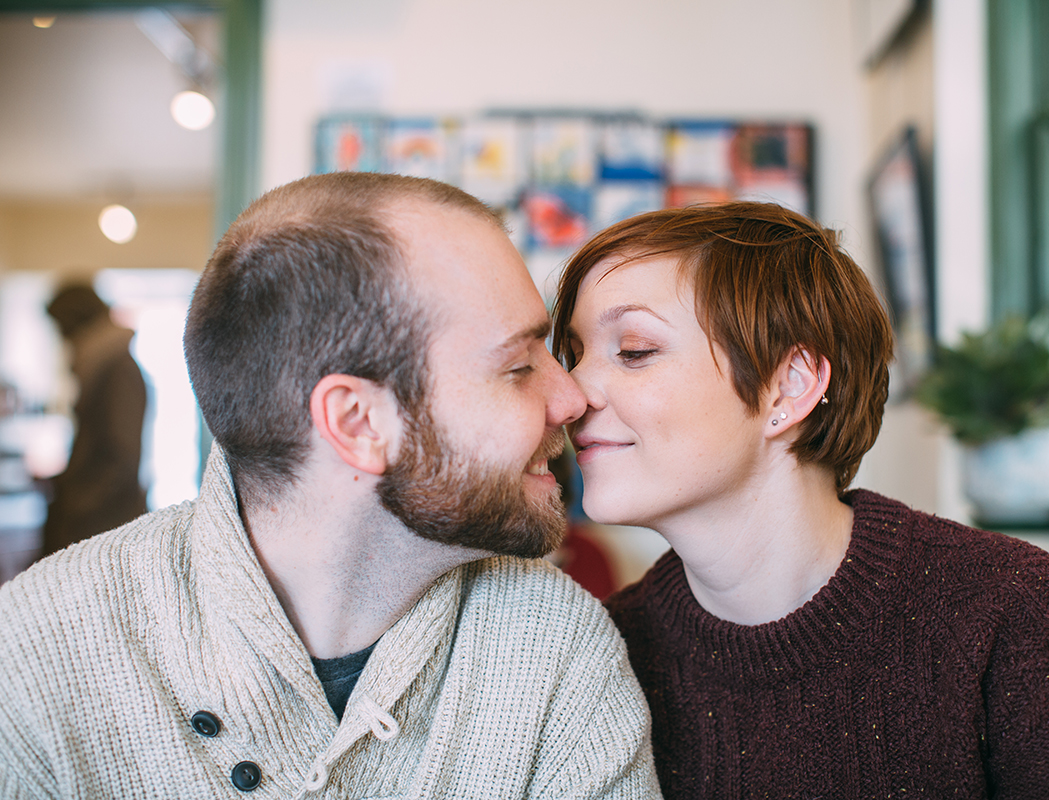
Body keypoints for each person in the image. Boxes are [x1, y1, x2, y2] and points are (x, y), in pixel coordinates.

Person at [0, 173, 659, 798]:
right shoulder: (34, 657)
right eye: (520, 366)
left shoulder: (561, 650)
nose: (573, 398)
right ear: (358, 421)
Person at [552, 202, 1049, 799]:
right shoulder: (606, 652)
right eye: (573, 354)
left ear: (789, 385)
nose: (571, 394)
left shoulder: (1014, 607)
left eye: (633, 350)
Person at [41, 283, 147, 556]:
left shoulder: (117, 370)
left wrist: (75, 505)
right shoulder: (101, 366)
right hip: (95, 521)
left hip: (103, 527)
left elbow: (121, 456)